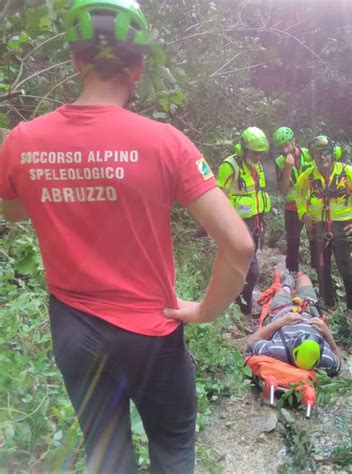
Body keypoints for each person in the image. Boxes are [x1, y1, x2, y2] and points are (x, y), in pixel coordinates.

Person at [0, 0, 255, 472]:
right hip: (151, 334)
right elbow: (238, 244)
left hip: (73, 329)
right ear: (138, 68)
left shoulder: (21, 140)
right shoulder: (165, 143)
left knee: (110, 456)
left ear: (76, 62)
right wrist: (203, 310)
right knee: (173, 446)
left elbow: (13, 211)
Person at [295, 135, 352, 323]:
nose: (323, 158)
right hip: (318, 227)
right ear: (312, 157)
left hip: (342, 227)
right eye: (318, 154)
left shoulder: (349, 173)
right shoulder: (307, 176)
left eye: (326, 153)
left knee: (345, 269)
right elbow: (298, 195)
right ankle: (328, 303)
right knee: (322, 267)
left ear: (333, 153)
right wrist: (303, 214)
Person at [217, 127, 271, 317]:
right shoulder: (229, 167)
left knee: (244, 266)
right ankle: (244, 304)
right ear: (244, 149)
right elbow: (219, 197)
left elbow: (257, 194)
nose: (258, 157)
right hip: (236, 224)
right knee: (252, 270)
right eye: (255, 153)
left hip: (254, 222)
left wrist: (262, 222)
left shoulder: (257, 167)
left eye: (261, 153)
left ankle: (237, 300)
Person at [247, 272, 341, 375]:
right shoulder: (325, 359)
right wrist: (327, 333)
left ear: (292, 345)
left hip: (282, 311)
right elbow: (338, 359)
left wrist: (281, 322)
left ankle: (287, 285)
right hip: (310, 309)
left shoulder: (277, 349)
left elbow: (251, 341)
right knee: (303, 278)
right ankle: (297, 275)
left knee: (282, 293)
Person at [273, 126, 315, 273]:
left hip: (312, 206)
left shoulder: (309, 154)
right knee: (292, 242)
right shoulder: (279, 162)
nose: (284, 150)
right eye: (281, 147)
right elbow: (283, 190)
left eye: (287, 145)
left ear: (294, 141)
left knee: (315, 240)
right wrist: (288, 168)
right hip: (292, 207)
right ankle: (292, 273)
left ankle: (316, 272)